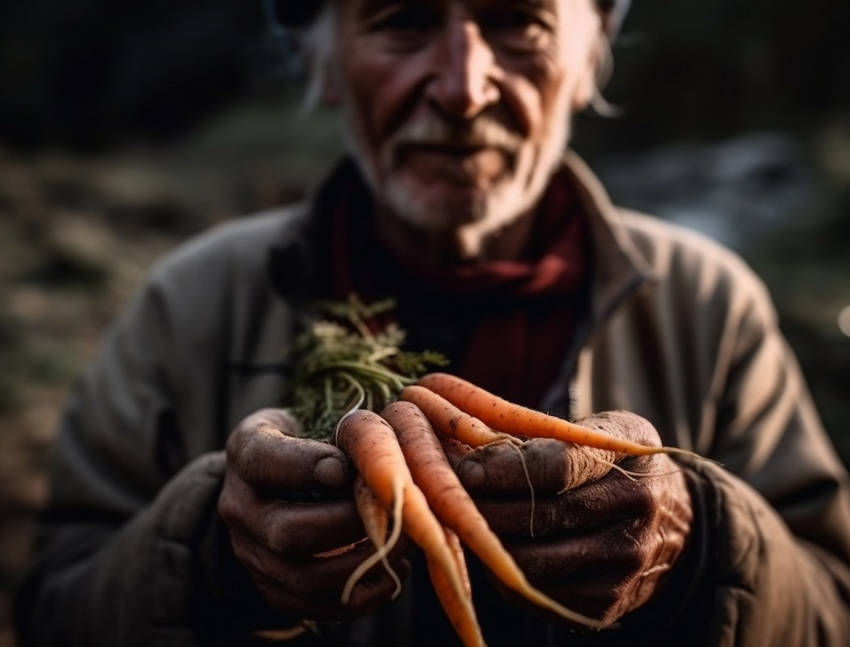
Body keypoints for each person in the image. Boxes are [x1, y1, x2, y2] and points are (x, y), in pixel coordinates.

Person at [14, 0, 850, 645]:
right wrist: (208, 560)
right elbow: (54, 609)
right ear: (322, 57)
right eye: (404, 20)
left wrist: (705, 547)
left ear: (590, 49)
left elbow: (834, 606)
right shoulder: (188, 305)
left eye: (519, 20)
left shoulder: (708, 303)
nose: (462, 87)